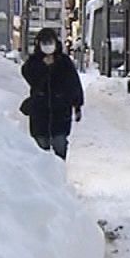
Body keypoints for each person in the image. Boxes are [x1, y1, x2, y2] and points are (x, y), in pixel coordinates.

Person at [21, 27, 83, 159]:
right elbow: (29, 76)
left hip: (61, 111)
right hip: (40, 111)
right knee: (40, 148)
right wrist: (43, 67)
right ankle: (42, 171)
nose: (48, 46)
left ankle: (58, 169)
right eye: (44, 43)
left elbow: (74, 84)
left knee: (60, 143)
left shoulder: (64, 62)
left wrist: (77, 105)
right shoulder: (33, 62)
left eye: (50, 42)